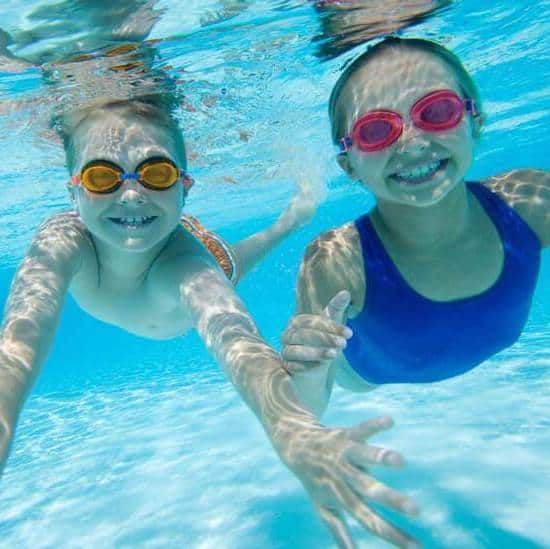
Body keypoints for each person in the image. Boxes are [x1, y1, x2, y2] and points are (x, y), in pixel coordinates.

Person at [0, 94, 419, 548]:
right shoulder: (62, 240)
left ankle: (292, 217)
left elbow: (239, 340)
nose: (132, 193)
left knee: (242, 258)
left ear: (185, 186)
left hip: (200, 255)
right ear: (73, 190)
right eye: (103, 177)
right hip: (172, 248)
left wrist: (292, 428)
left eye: (156, 173)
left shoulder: (190, 270)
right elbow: (20, 338)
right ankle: (290, 215)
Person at [282, 36, 549, 546]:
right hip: (368, 376)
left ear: (476, 120)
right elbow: (305, 406)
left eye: (437, 111)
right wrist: (308, 371)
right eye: (377, 129)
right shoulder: (338, 259)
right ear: (349, 163)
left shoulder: (532, 199)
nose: (411, 141)